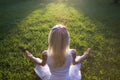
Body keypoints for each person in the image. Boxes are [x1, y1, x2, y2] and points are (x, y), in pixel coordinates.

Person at [25, 24, 91, 80]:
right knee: (77, 62)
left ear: (51, 39)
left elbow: (42, 64)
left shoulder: (46, 54)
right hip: (67, 78)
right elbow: (75, 63)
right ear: (67, 40)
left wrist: (31, 57)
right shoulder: (72, 53)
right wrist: (84, 56)